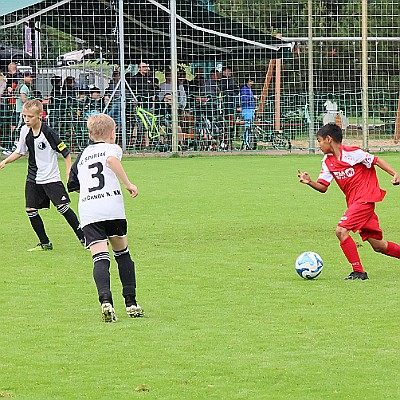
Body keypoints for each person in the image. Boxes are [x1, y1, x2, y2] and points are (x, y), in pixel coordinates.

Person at [297, 123, 400, 280]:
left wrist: (395, 173)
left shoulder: (353, 153)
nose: (318, 145)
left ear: (329, 139)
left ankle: (358, 271)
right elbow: (323, 186)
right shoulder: (327, 162)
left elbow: (376, 160)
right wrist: (309, 181)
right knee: (378, 245)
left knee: (341, 230)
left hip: (365, 199)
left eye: (319, 141)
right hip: (354, 204)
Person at [67, 113, 144, 322]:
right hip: (112, 208)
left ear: (91, 135)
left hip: (90, 212)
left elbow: (72, 184)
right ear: (112, 133)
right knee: (122, 253)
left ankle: (105, 301)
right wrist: (128, 184)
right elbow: (110, 161)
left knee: (100, 258)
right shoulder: (112, 148)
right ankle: (131, 303)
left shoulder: (83, 156)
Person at [0, 99, 85, 251]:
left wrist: (68, 172)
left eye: (30, 117)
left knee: (62, 208)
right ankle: (45, 243)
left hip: (51, 178)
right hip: (33, 178)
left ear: (40, 115)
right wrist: (5, 162)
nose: (26, 119)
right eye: (24, 116)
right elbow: (20, 151)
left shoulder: (48, 133)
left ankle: (84, 238)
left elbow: (65, 153)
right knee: (30, 210)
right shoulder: (24, 131)